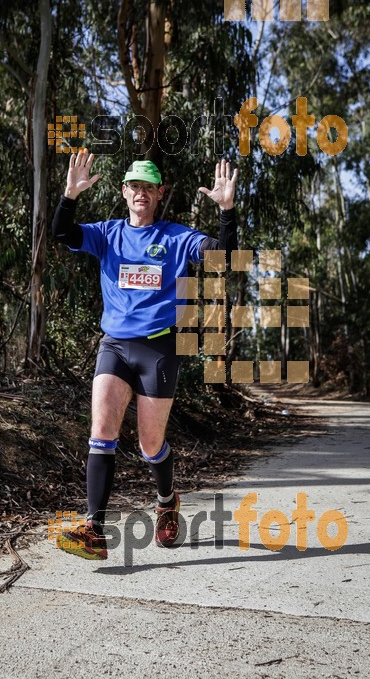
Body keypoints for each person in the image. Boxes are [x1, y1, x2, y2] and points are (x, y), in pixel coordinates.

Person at [51, 149, 238, 559]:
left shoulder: (177, 237)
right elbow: (62, 233)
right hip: (114, 346)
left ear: (159, 194)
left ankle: (167, 500)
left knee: (150, 445)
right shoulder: (107, 234)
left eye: (148, 187)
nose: (141, 192)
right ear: (124, 192)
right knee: (101, 433)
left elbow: (225, 258)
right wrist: (69, 194)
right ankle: (94, 531)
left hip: (160, 349)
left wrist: (227, 211)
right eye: (134, 185)